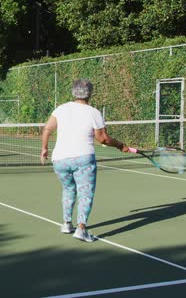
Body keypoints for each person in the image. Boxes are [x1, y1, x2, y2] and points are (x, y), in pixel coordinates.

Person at [41, 79, 129, 243]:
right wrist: (120, 145)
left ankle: (67, 224)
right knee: (85, 195)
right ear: (90, 93)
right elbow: (102, 138)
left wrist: (44, 148)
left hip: (59, 159)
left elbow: (47, 128)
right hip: (83, 159)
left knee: (68, 189)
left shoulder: (60, 109)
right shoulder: (93, 112)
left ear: (73, 92)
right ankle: (81, 229)